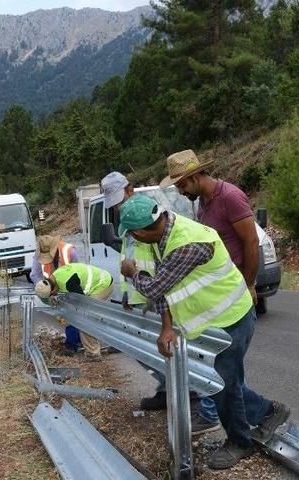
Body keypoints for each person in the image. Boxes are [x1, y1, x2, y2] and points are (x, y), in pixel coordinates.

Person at [119, 195, 289, 470]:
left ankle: (240, 442)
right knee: (221, 382)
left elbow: (154, 287)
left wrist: (131, 272)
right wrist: (166, 327)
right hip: (210, 324)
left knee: (222, 383)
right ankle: (269, 412)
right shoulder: (158, 238)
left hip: (232, 317)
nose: (131, 239)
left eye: (131, 234)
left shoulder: (188, 243)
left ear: (139, 232)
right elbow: (163, 288)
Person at [101, 171, 222, 435]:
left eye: (119, 200)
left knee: (188, 355)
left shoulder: (149, 219)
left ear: (129, 190)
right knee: (145, 352)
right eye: (114, 205)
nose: (118, 207)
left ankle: (197, 398)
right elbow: (128, 258)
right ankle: (168, 390)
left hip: (157, 295)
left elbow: (157, 275)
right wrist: (128, 293)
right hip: (143, 295)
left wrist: (151, 298)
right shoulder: (130, 222)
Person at [161, 149, 260, 306]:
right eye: (177, 187)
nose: (180, 192)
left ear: (195, 177)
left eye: (182, 185)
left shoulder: (230, 196)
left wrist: (249, 284)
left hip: (237, 283)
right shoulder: (202, 200)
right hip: (219, 284)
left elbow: (252, 241)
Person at [30, 235, 99, 358]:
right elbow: (35, 275)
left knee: (74, 313)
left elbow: (78, 272)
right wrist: (45, 289)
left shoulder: (69, 251)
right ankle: (75, 341)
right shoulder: (38, 255)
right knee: (63, 316)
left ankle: (72, 344)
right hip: (51, 288)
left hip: (71, 286)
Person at [34, 262, 113, 359]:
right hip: (100, 279)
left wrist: (66, 317)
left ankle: (93, 354)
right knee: (87, 316)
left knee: (85, 318)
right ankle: (112, 341)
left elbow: (81, 304)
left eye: (53, 294)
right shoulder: (53, 277)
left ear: (53, 290)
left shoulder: (69, 282)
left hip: (103, 284)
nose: (54, 295)